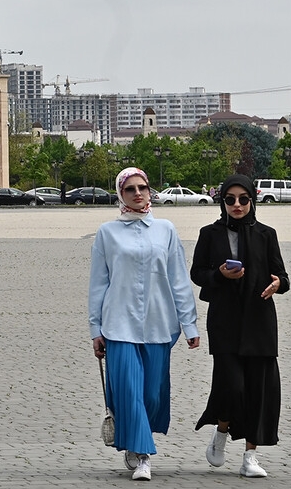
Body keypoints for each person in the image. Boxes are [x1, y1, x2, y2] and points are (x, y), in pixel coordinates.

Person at [89, 167, 201, 482]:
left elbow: (179, 280)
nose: (138, 194)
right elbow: (98, 284)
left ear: (150, 192)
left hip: (158, 324)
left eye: (143, 188)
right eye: (130, 190)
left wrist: (189, 325)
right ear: (120, 194)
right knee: (128, 390)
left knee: (152, 394)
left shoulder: (165, 229)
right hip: (118, 326)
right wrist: (95, 330)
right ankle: (142, 455)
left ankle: (135, 436)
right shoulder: (107, 233)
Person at [191, 175, 290, 479]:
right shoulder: (210, 233)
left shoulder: (266, 234)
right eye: (230, 199)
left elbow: (282, 276)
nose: (237, 205)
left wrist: (278, 284)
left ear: (252, 201)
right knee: (232, 386)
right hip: (225, 321)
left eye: (243, 199)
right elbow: (197, 273)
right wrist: (220, 275)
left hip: (259, 320)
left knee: (258, 390)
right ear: (222, 201)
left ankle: (250, 456)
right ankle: (221, 430)